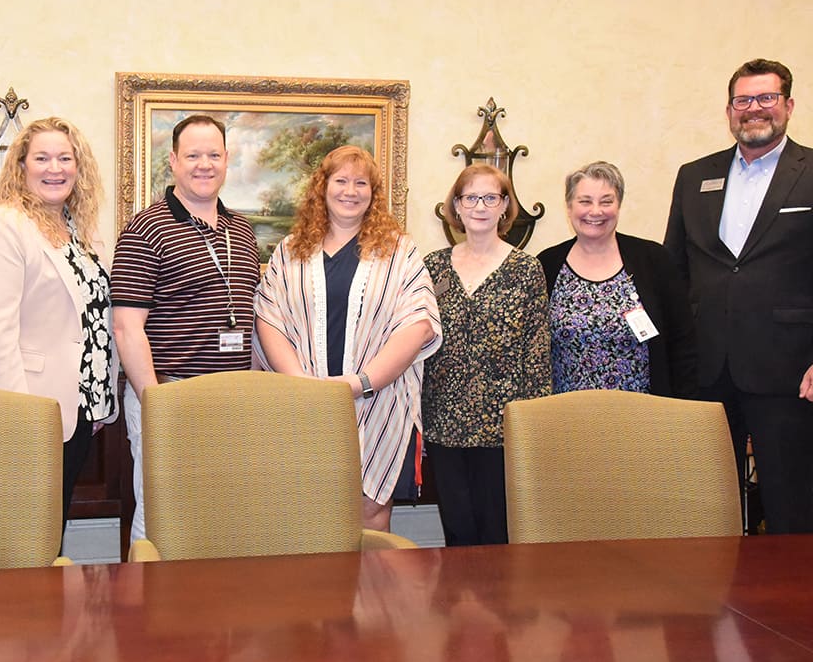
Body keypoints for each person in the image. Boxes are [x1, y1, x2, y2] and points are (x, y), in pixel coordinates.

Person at [255, 145, 442, 532]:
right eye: (341, 181)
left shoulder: (398, 251)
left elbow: (419, 324)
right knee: (306, 515)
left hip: (379, 401)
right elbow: (268, 319)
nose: (350, 191)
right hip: (305, 405)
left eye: (361, 183)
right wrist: (302, 385)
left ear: (373, 194)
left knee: (370, 513)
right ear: (322, 188)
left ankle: (372, 595)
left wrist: (362, 383)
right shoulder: (291, 251)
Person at [664, 58, 813, 534]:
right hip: (706, 374)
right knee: (704, 512)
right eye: (743, 100)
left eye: (766, 98)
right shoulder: (694, 176)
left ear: (788, 105)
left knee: (792, 510)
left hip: (788, 374)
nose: (754, 110)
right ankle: (715, 609)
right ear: (729, 111)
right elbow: (675, 272)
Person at [111, 115, 260, 541]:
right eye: (193, 155)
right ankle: (150, 605)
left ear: (227, 160)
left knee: (221, 515)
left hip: (232, 399)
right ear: (173, 161)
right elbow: (126, 327)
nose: (204, 164)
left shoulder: (242, 230)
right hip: (169, 393)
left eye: (214, 155)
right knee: (160, 515)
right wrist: (155, 401)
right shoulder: (146, 228)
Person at [0, 117, 119, 534]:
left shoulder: (75, 229)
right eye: (43, 158)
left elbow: (92, 318)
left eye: (65, 158)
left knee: (51, 527)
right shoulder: (5, 224)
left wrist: (100, 393)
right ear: (21, 167)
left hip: (79, 409)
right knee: (25, 533)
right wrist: (20, 418)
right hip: (33, 409)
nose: (56, 168)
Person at [421, 164, 550, 546]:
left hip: (503, 427)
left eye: (490, 197)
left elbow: (537, 352)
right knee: (457, 534)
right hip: (444, 422)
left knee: (498, 535)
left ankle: (499, 607)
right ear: (456, 207)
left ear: (504, 206)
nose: (479, 206)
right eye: (470, 197)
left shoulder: (527, 269)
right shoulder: (432, 266)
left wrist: (532, 425)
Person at [537, 161, 698, 398]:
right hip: (566, 417)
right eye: (585, 201)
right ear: (569, 207)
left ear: (619, 205)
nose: (596, 211)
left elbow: (682, 343)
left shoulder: (654, 260)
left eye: (606, 201)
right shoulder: (547, 264)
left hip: (642, 416)